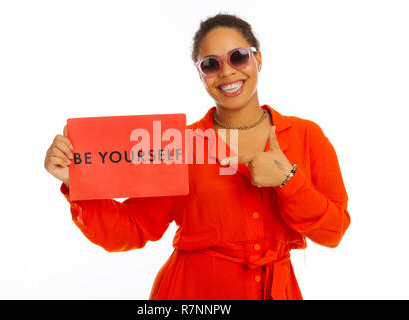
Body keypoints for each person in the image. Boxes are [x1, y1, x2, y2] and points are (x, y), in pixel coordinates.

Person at [44, 13, 351, 300]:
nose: (227, 71)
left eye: (238, 56)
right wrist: (78, 183)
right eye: (210, 64)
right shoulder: (180, 145)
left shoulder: (306, 136)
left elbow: (333, 231)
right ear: (200, 74)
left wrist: (288, 181)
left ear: (257, 58)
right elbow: (132, 228)